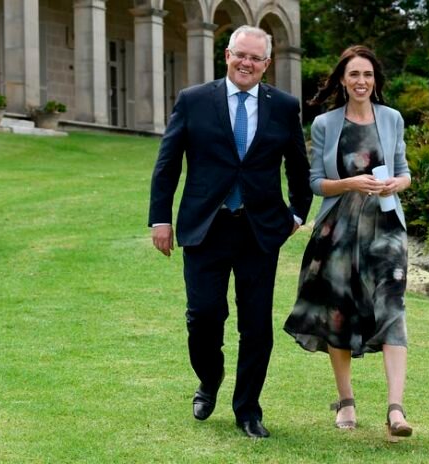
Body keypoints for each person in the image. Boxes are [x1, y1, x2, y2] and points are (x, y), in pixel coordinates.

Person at [149, 25, 312, 439]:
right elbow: (168, 163)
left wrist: (297, 215)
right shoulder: (194, 101)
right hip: (206, 226)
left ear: (267, 64)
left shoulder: (283, 106)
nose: (247, 63)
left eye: (256, 58)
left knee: (255, 324)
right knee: (203, 316)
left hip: (260, 231)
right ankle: (210, 377)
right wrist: (161, 219)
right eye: (241, 55)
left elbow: (298, 166)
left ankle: (248, 410)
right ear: (226, 55)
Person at [283, 45, 414, 442]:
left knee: (392, 306)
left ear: (375, 81)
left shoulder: (392, 118)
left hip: (386, 226)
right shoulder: (325, 124)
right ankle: (346, 400)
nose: (361, 82)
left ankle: (396, 408)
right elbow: (316, 183)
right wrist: (352, 183)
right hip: (337, 231)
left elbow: (405, 171)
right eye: (354, 74)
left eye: (368, 75)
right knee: (338, 312)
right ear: (342, 79)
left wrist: (397, 182)